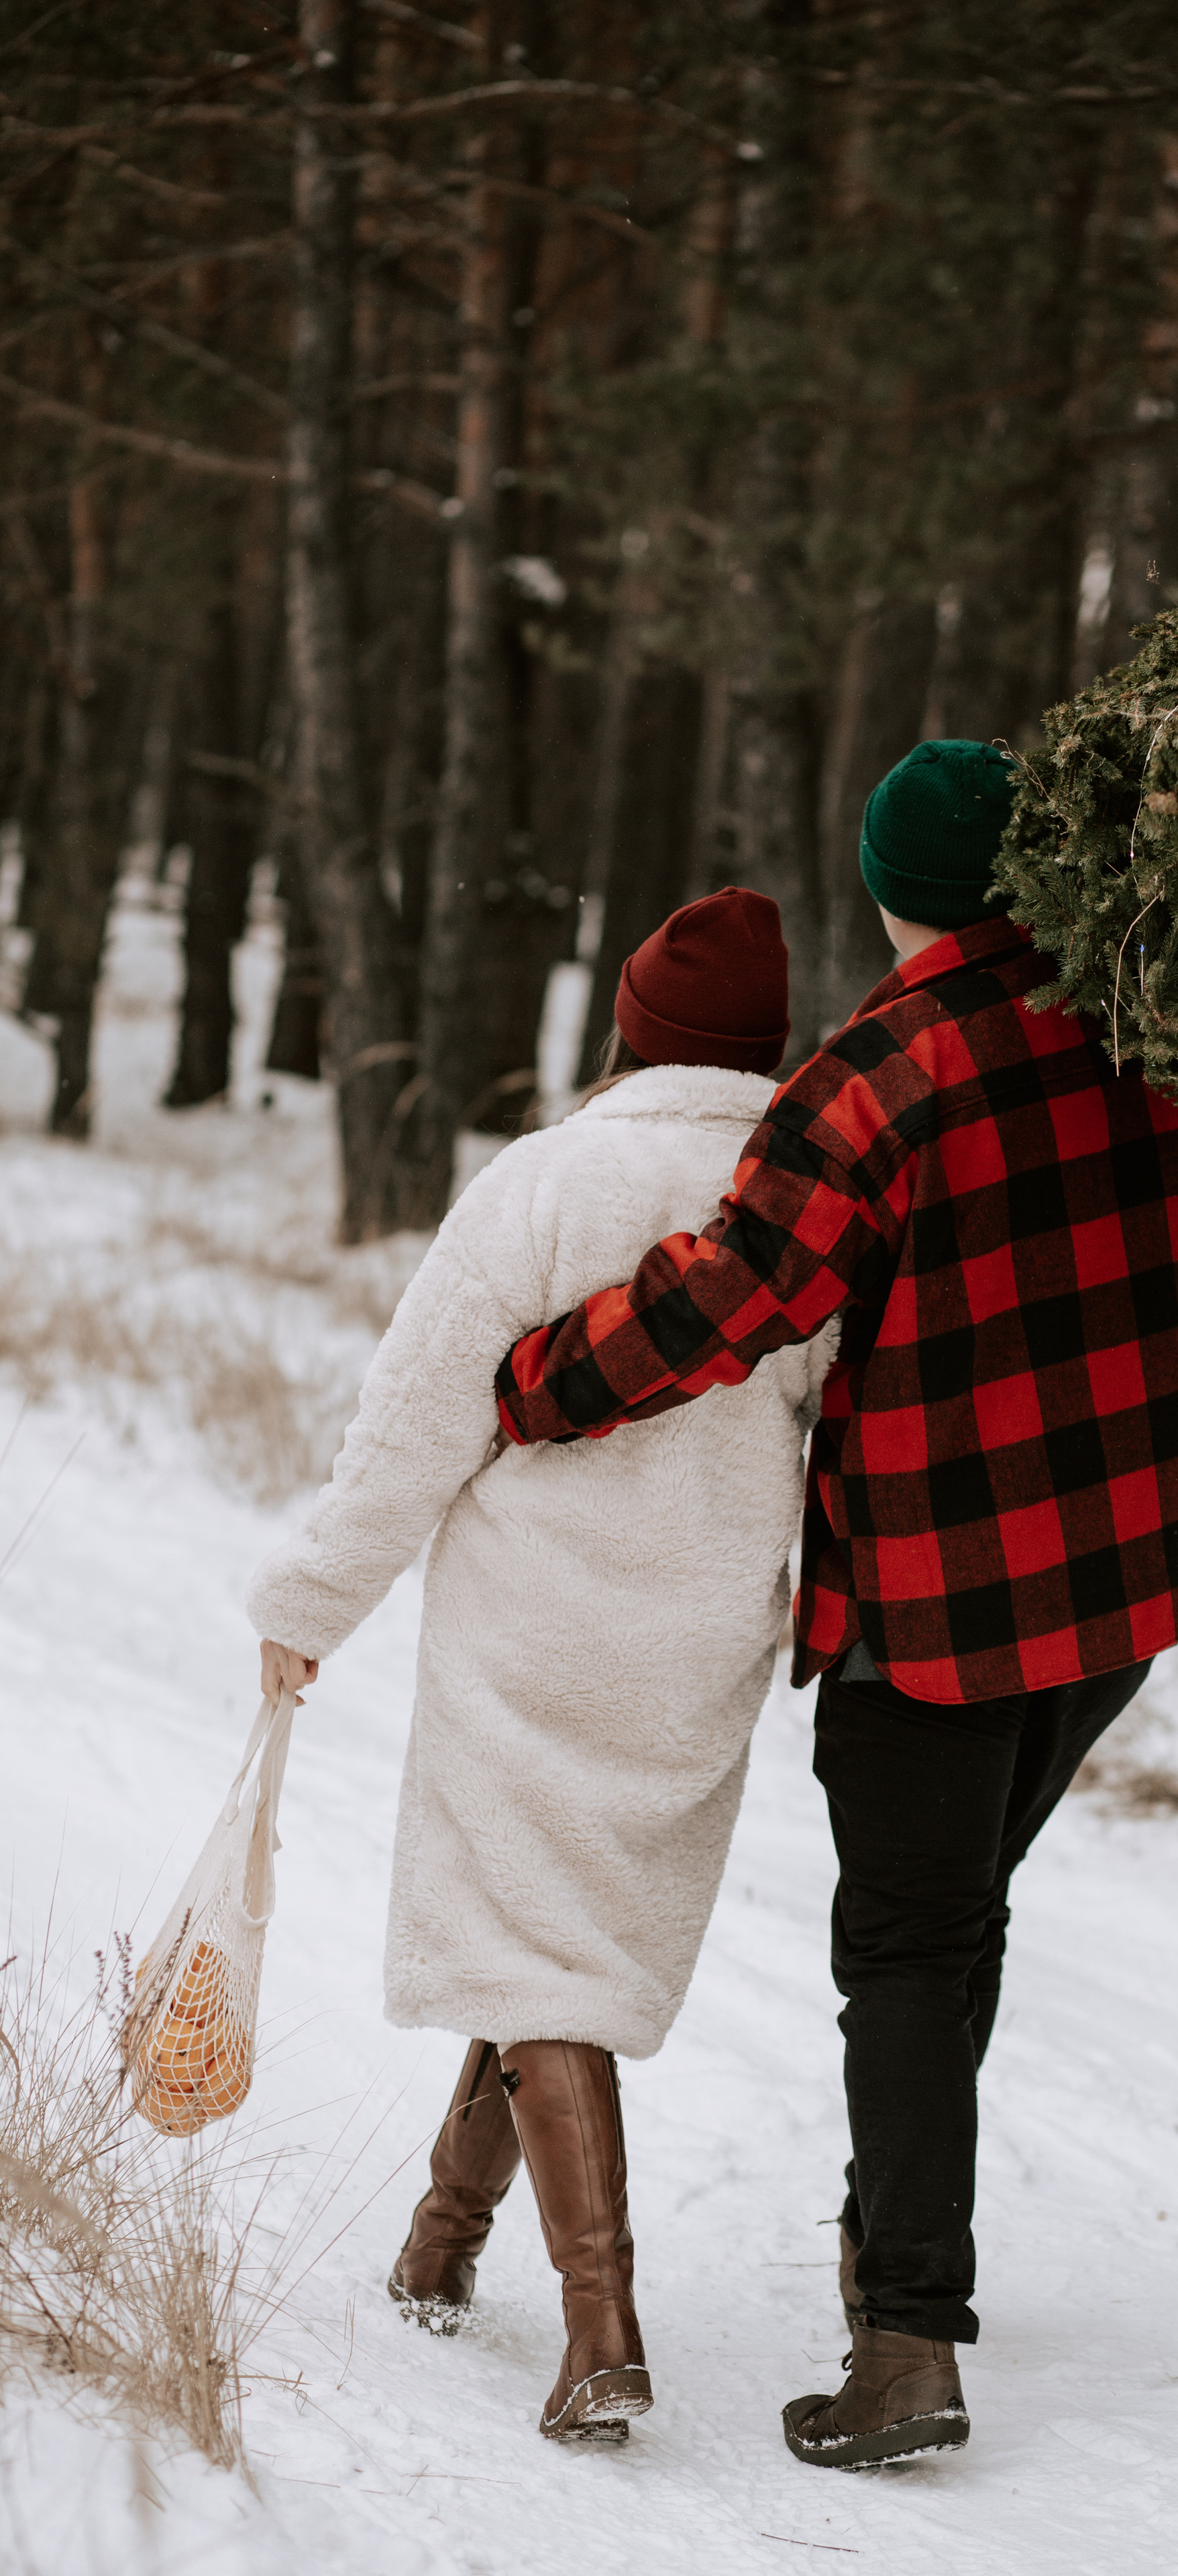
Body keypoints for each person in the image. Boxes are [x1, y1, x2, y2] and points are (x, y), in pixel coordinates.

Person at [492, 738, 1178, 2470]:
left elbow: (736, 1296)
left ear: (890, 885)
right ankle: (893, 2229)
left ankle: (906, 2342)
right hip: (1115, 1577)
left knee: (904, 1947)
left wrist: (539, 1380)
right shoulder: (1158, 1021)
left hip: (941, 1600)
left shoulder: (878, 1073)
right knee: (959, 1920)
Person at [248, 888, 836, 2447]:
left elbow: (417, 1421)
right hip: (699, 1626)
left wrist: (314, 1597)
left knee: (534, 1937)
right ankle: (443, 2240)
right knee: (544, 1932)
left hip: (536, 1619)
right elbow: (831, 1424)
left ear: (632, 1030)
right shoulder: (807, 1193)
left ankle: (600, 2330)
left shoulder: (547, 1178)